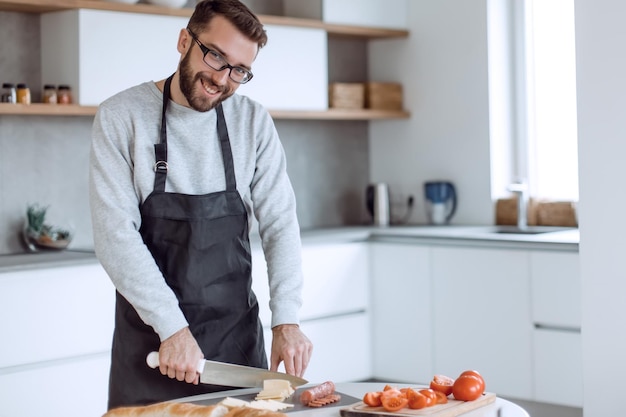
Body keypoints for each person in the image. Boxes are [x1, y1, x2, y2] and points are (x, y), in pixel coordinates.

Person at [88, 0, 312, 409]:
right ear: (183, 41)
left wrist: (287, 320)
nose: (222, 79)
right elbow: (115, 236)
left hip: (236, 347)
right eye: (215, 56)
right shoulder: (121, 117)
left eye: (239, 71)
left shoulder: (253, 122)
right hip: (152, 348)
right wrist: (172, 329)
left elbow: (280, 223)